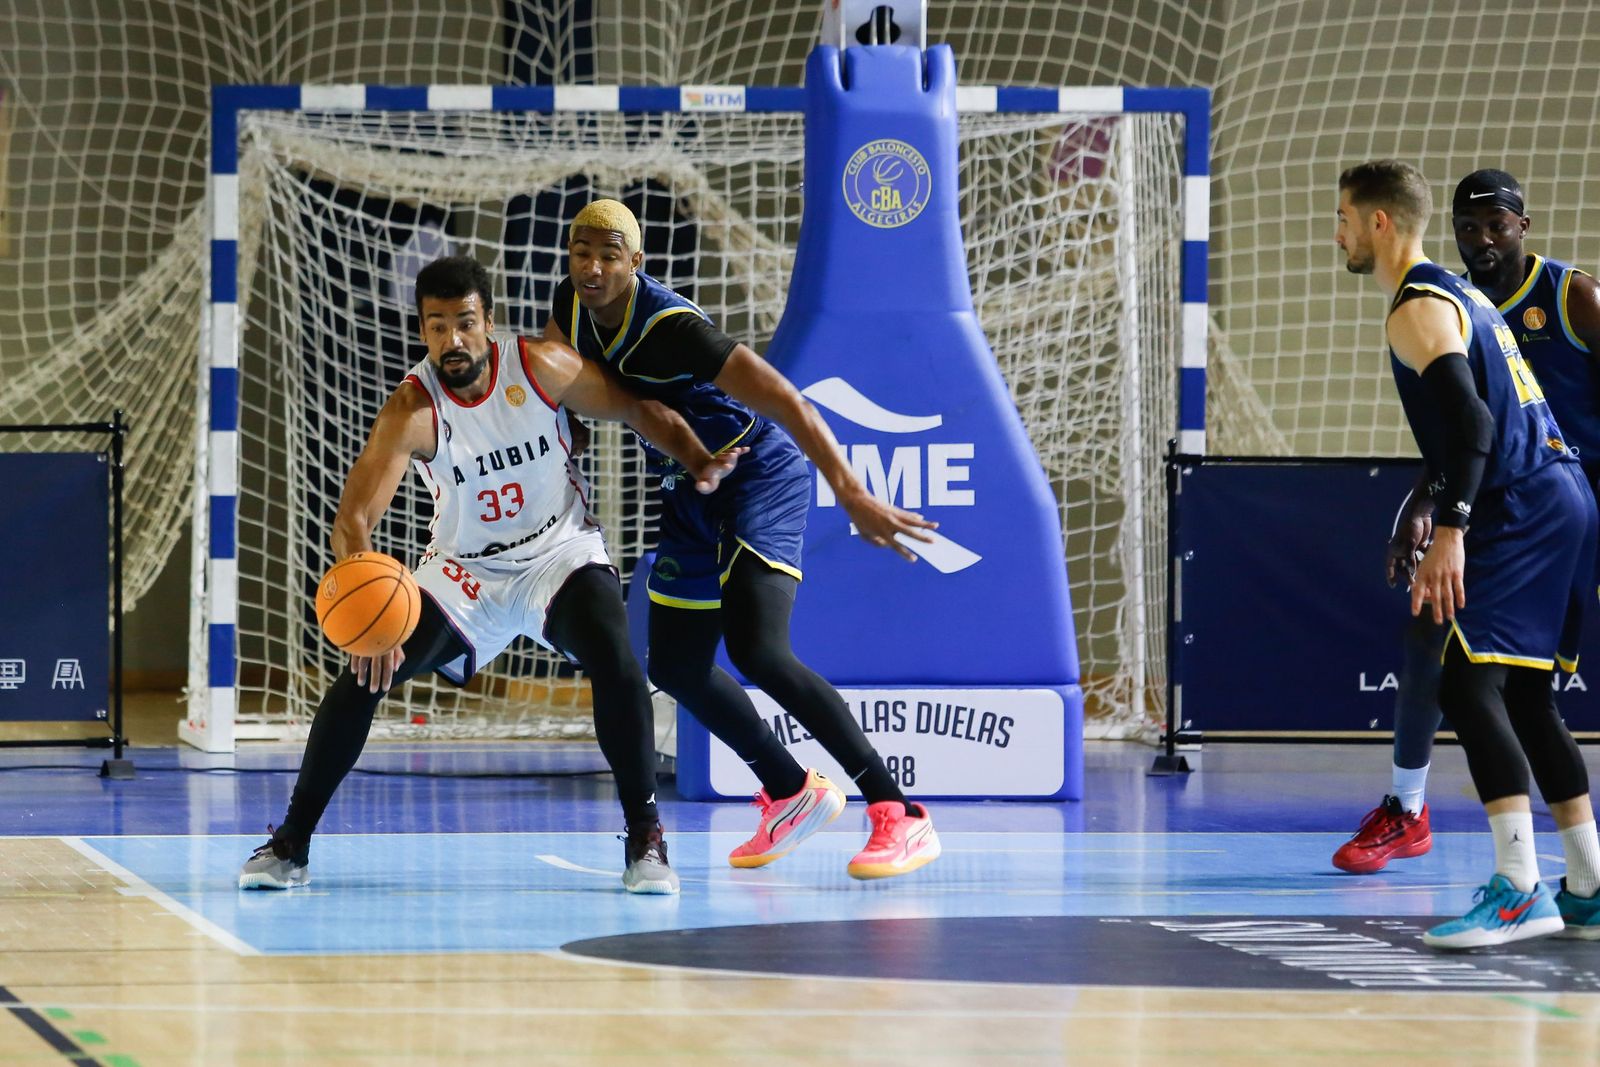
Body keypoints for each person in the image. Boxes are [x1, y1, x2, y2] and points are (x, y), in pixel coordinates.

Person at [239, 255, 742, 896]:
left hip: (558, 552)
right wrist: (364, 596)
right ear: (422, 331)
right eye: (437, 326)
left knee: (617, 660)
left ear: (489, 322)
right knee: (366, 672)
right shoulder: (412, 409)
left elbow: (638, 409)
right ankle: (292, 844)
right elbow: (354, 520)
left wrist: (698, 457)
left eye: (465, 324)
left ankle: (645, 838)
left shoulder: (540, 367)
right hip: (464, 572)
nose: (453, 341)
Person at [543, 199, 942, 880]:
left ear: (636, 263)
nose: (593, 266)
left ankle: (897, 810)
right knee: (673, 663)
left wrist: (849, 490)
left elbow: (788, 398)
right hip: (688, 483)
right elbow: (563, 384)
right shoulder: (571, 308)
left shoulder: (675, 328)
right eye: (582, 252)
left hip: (757, 472)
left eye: (610, 254)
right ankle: (789, 789)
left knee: (758, 648)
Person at [1335, 160, 1600, 948]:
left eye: (1345, 217)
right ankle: (1587, 882)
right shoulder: (1462, 292)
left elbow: (1475, 426)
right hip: (1560, 492)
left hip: (1519, 499)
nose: (1338, 233)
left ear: (1381, 223)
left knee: (1462, 676)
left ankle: (1519, 886)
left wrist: (1448, 528)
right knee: (1522, 696)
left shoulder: (1418, 306)